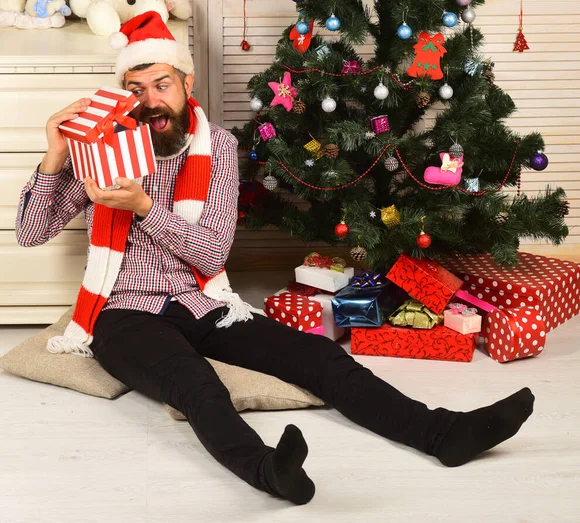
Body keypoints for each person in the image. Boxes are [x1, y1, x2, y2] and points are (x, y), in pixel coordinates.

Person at [15, 11, 535, 506]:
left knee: (321, 358)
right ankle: (267, 470)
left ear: (186, 84)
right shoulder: (102, 150)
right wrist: (55, 153)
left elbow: (211, 252)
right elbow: (32, 232)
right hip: (123, 311)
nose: (150, 101)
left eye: (161, 84)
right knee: (193, 382)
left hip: (202, 300)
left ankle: (443, 433)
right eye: (136, 89)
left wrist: (145, 208)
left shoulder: (215, 146)